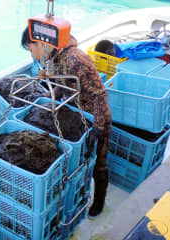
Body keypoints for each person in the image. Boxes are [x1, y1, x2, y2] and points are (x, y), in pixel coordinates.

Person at [21, 26, 112, 219]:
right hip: (76, 114)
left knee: (99, 163)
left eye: (31, 49)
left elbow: (100, 95)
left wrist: (98, 127)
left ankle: (99, 202)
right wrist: (48, 95)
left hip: (96, 117)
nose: (32, 55)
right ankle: (79, 195)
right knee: (81, 162)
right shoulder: (54, 58)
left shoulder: (76, 59)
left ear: (41, 44)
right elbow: (63, 85)